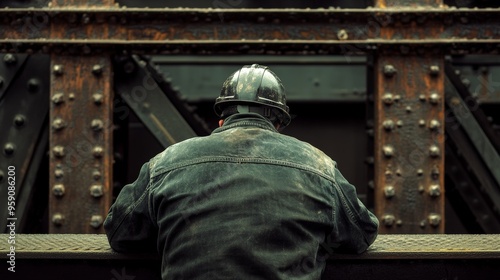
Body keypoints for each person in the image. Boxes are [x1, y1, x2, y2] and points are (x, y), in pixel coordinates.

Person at [104, 64, 379, 279]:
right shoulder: (319, 165)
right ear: (279, 123)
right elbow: (362, 233)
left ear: (222, 118)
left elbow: (119, 233)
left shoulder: (165, 162)